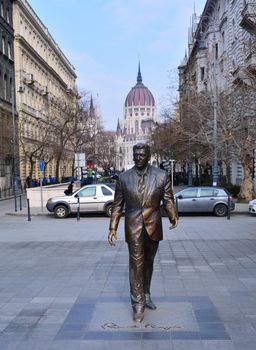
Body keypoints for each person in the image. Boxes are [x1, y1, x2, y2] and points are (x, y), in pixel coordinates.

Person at [108, 143, 178, 322]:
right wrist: (112, 228)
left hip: (154, 226)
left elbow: (168, 199)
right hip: (133, 227)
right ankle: (137, 305)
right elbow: (117, 205)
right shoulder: (124, 178)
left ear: (148, 156)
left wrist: (172, 216)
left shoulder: (161, 176)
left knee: (148, 263)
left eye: (142, 155)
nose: (138, 158)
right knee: (136, 265)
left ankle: (146, 294)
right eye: (136, 154)